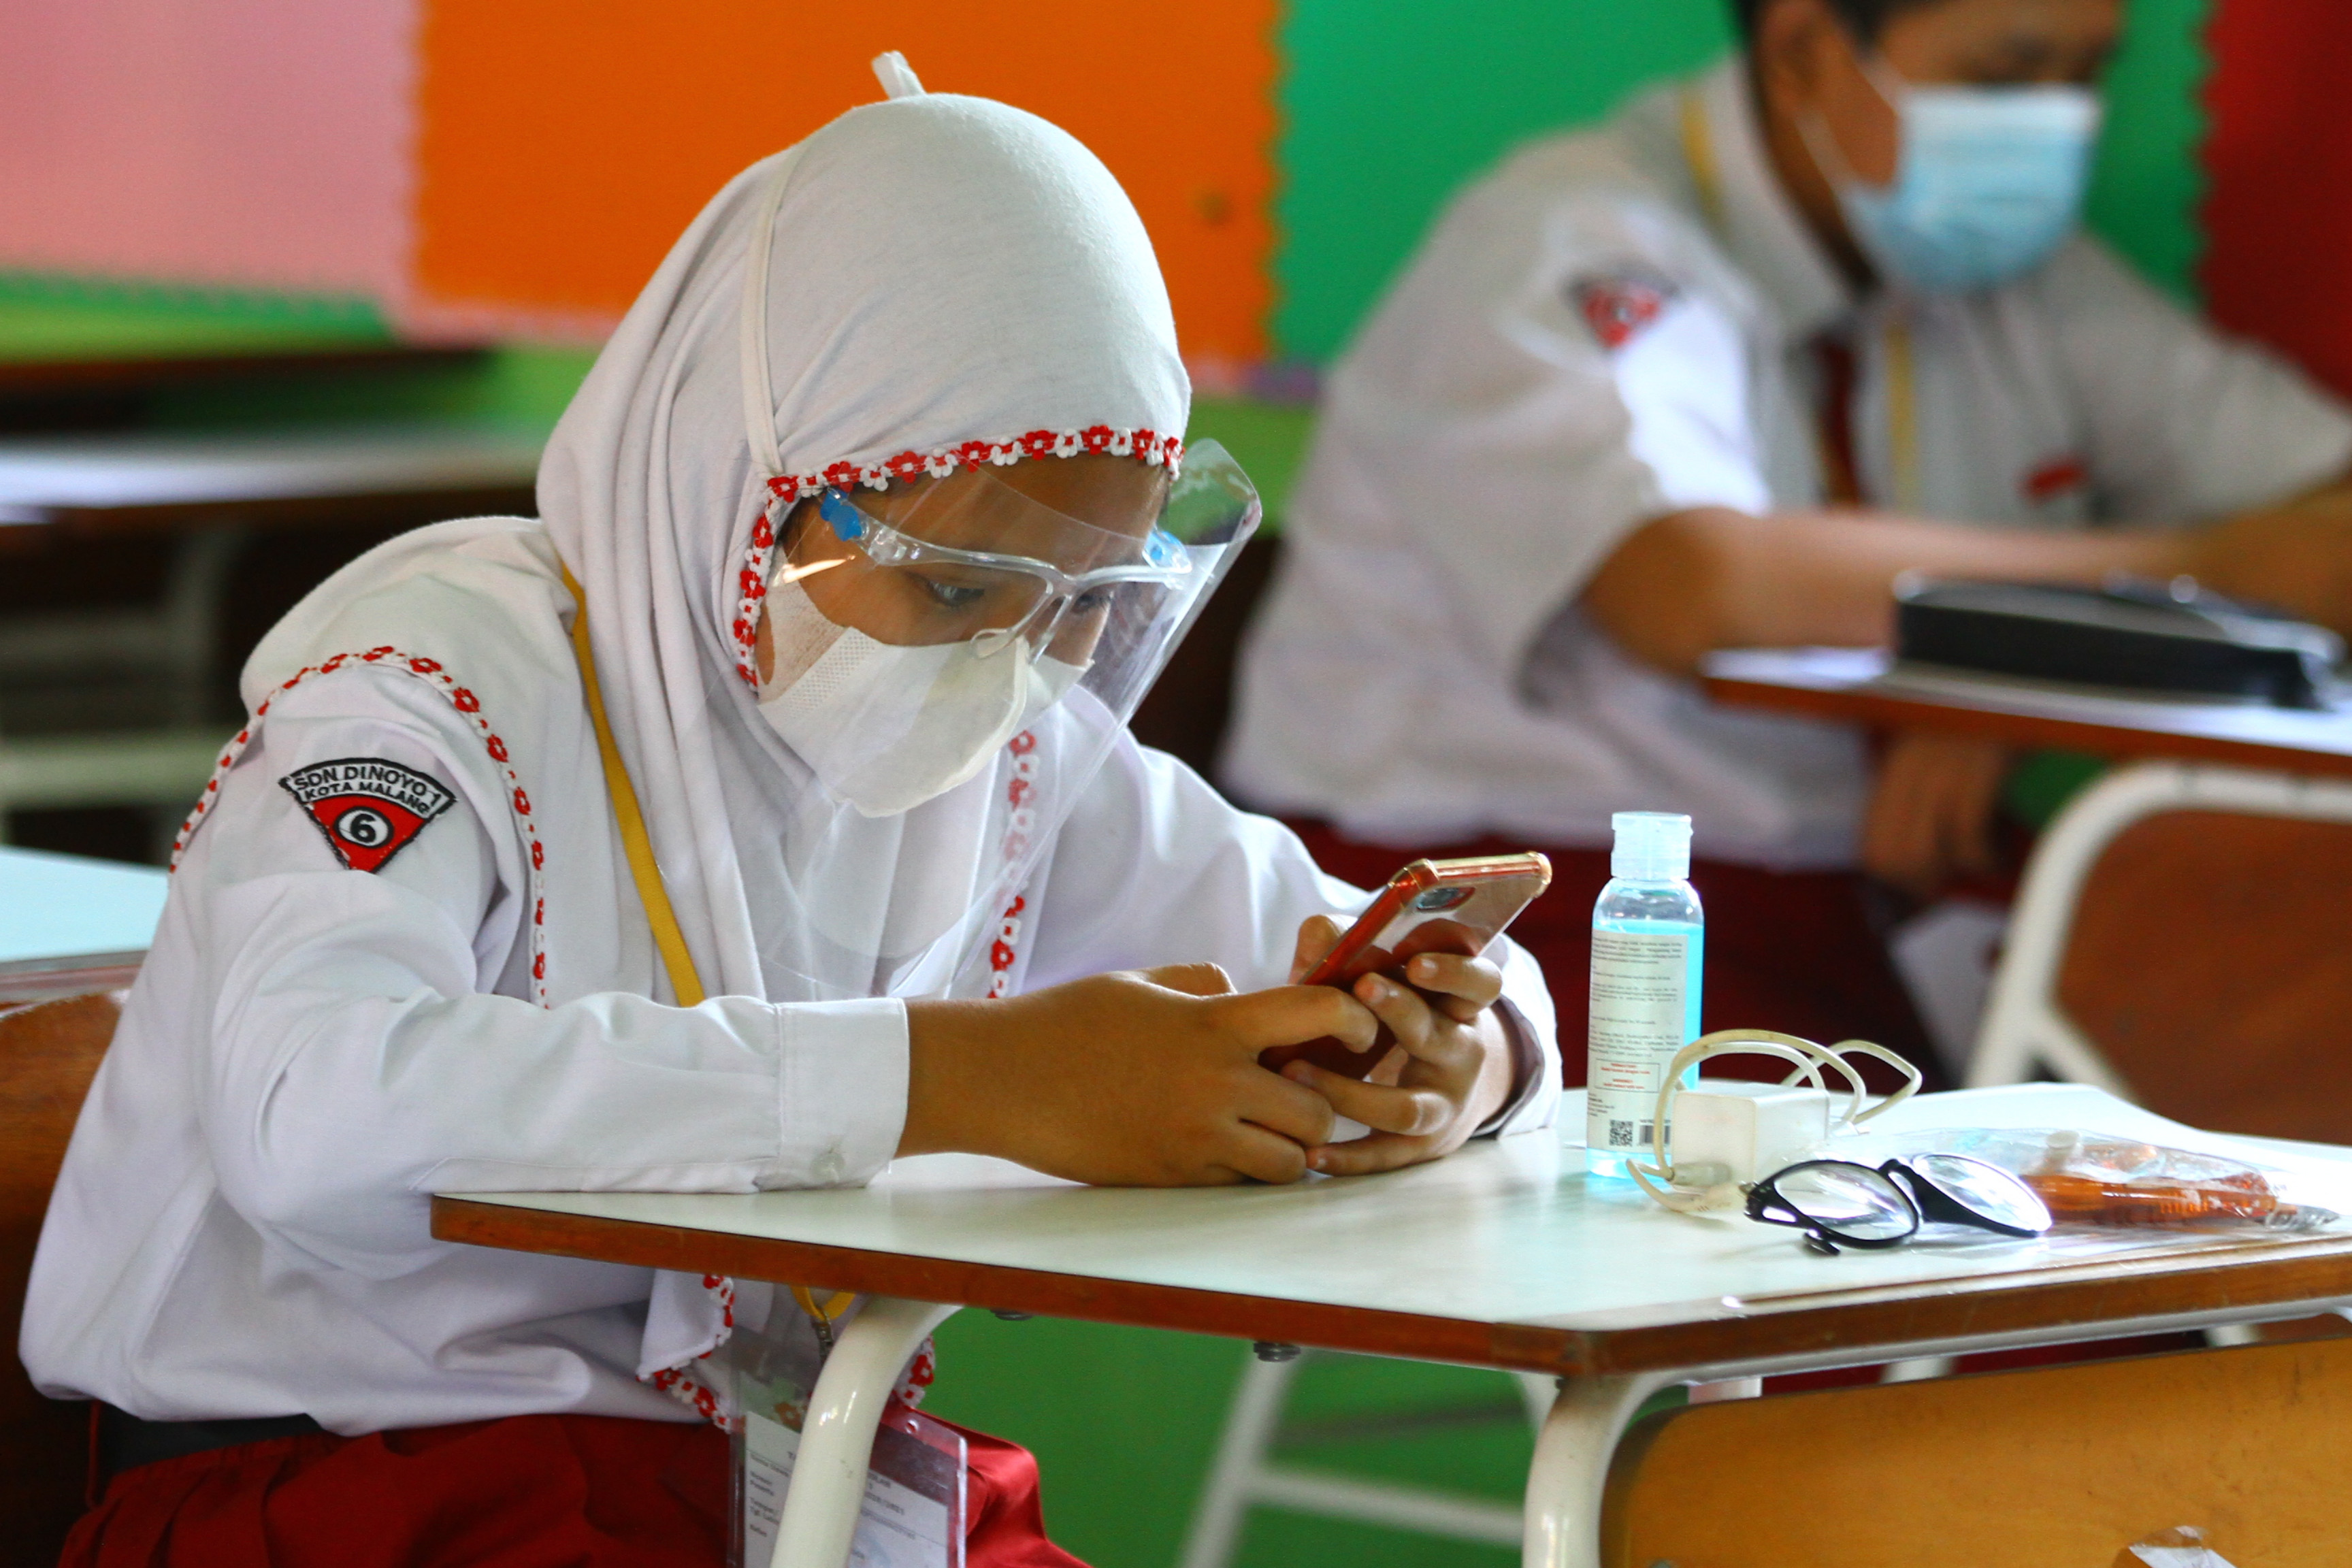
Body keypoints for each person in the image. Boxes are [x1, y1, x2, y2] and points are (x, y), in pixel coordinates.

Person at [23, 67, 1558, 1568]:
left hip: (763, 1477)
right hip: (360, 1491)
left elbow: (1319, 931)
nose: (1011, 663)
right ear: (751, 484)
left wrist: (1445, 1062)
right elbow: (317, 1108)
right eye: (957, 587)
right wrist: (960, 1081)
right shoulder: (438, 684)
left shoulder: (1001, 734)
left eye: (1088, 606)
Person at [1223, 0, 2352, 1063]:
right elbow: (1695, 583)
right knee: (1835, 1213)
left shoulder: (2008, 278)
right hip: (1520, 905)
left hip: (1852, 898)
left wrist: (2025, 677)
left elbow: (2328, 499)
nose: (2061, 120)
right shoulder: (1572, 238)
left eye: (2088, 71)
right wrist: (2157, 592)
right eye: (2007, 72)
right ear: (1806, 47)